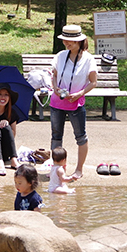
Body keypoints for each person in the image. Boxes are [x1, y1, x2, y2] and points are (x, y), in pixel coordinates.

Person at [50, 24, 97, 179]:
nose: (67, 43)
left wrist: (79, 93)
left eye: (70, 41)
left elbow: (93, 82)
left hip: (76, 103)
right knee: (56, 136)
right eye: (65, 40)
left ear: (79, 41)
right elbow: (54, 75)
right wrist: (55, 87)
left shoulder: (88, 59)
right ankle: (56, 170)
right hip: (58, 102)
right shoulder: (61, 55)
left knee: (81, 136)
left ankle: (79, 169)